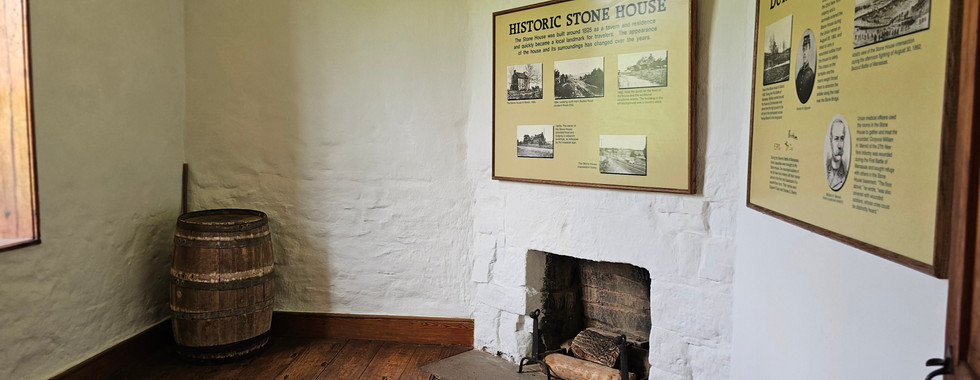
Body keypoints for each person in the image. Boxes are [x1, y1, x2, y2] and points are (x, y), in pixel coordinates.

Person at [826, 119, 848, 191]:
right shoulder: (826, 168)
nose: (839, 145)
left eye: (842, 139)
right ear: (830, 140)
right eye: (836, 139)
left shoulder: (845, 173)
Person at [796, 33, 815, 103]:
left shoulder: (810, 73)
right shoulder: (799, 72)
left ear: (809, 51)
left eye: (806, 49)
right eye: (803, 49)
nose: (804, 53)